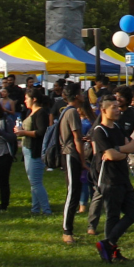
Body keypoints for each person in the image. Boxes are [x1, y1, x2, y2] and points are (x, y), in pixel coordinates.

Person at [87, 98, 134, 263]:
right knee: (113, 215)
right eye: (114, 107)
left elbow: (133, 146)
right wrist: (119, 152)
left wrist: (118, 150)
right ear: (103, 110)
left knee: (132, 214)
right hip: (109, 179)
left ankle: (108, 243)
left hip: (123, 177)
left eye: (118, 107)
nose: (118, 110)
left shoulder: (117, 127)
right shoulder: (99, 131)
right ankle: (111, 252)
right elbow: (110, 156)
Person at [57, 88, 89, 245]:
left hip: (70, 153)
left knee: (75, 191)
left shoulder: (67, 111)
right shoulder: (72, 113)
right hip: (71, 154)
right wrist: (83, 161)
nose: (84, 96)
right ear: (76, 96)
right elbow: (76, 139)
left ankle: (69, 228)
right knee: (72, 192)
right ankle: (67, 229)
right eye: (81, 93)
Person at [17, 88, 53, 217]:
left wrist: (23, 132)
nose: (25, 101)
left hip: (35, 151)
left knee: (36, 182)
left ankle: (46, 210)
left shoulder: (41, 113)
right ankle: (35, 208)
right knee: (33, 181)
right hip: (28, 149)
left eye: (27, 98)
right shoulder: (31, 112)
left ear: (34, 99)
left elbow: (41, 132)